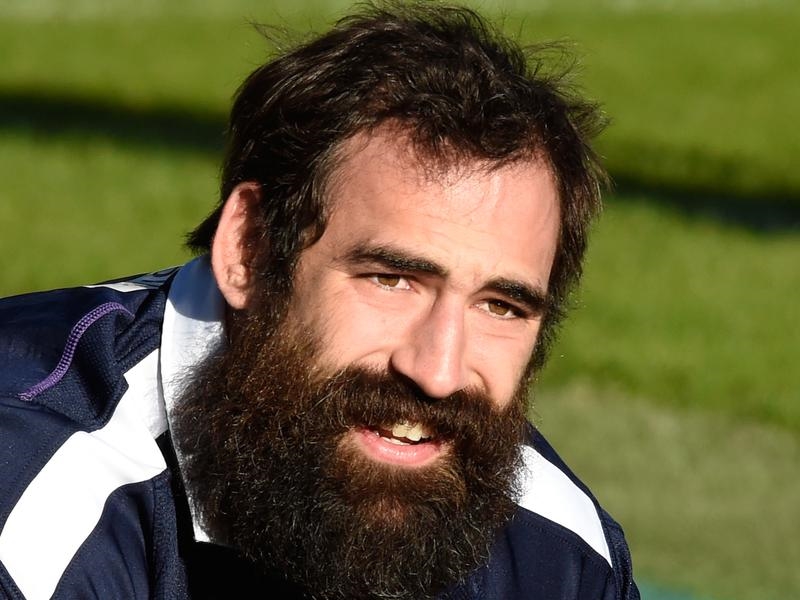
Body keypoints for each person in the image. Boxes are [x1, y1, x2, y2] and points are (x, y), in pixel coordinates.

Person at [0, 3, 639, 599]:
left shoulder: (559, 558)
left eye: (501, 306)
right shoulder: (37, 514)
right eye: (392, 279)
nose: (439, 372)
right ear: (250, 250)